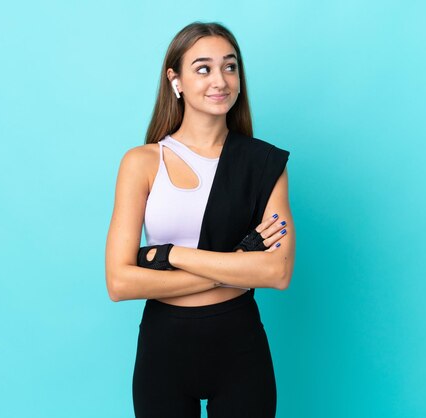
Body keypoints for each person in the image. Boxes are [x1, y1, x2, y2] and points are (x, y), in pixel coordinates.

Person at [105, 21, 295, 418]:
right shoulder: (142, 162)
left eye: (230, 66)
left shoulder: (262, 163)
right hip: (163, 349)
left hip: (239, 347)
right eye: (203, 68)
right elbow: (120, 282)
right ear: (176, 80)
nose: (220, 80)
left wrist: (171, 254)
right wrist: (238, 265)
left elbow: (276, 272)